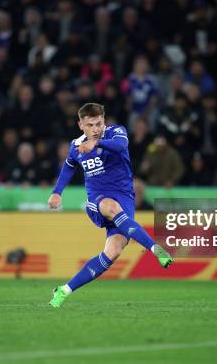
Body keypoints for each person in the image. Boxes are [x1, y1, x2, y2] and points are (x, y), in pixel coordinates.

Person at [47, 103, 173, 308]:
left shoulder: (116, 132)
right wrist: (56, 192)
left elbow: (121, 146)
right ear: (81, 125)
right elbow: (69, 166)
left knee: (112, 252)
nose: (96, 129)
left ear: (104, 121)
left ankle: (64, 290)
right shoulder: (76, 146)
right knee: (110, 207)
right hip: (98, 200)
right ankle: (155, 249)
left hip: (125, 198)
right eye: (90, 125)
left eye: (99, 123)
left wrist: (96, 144)